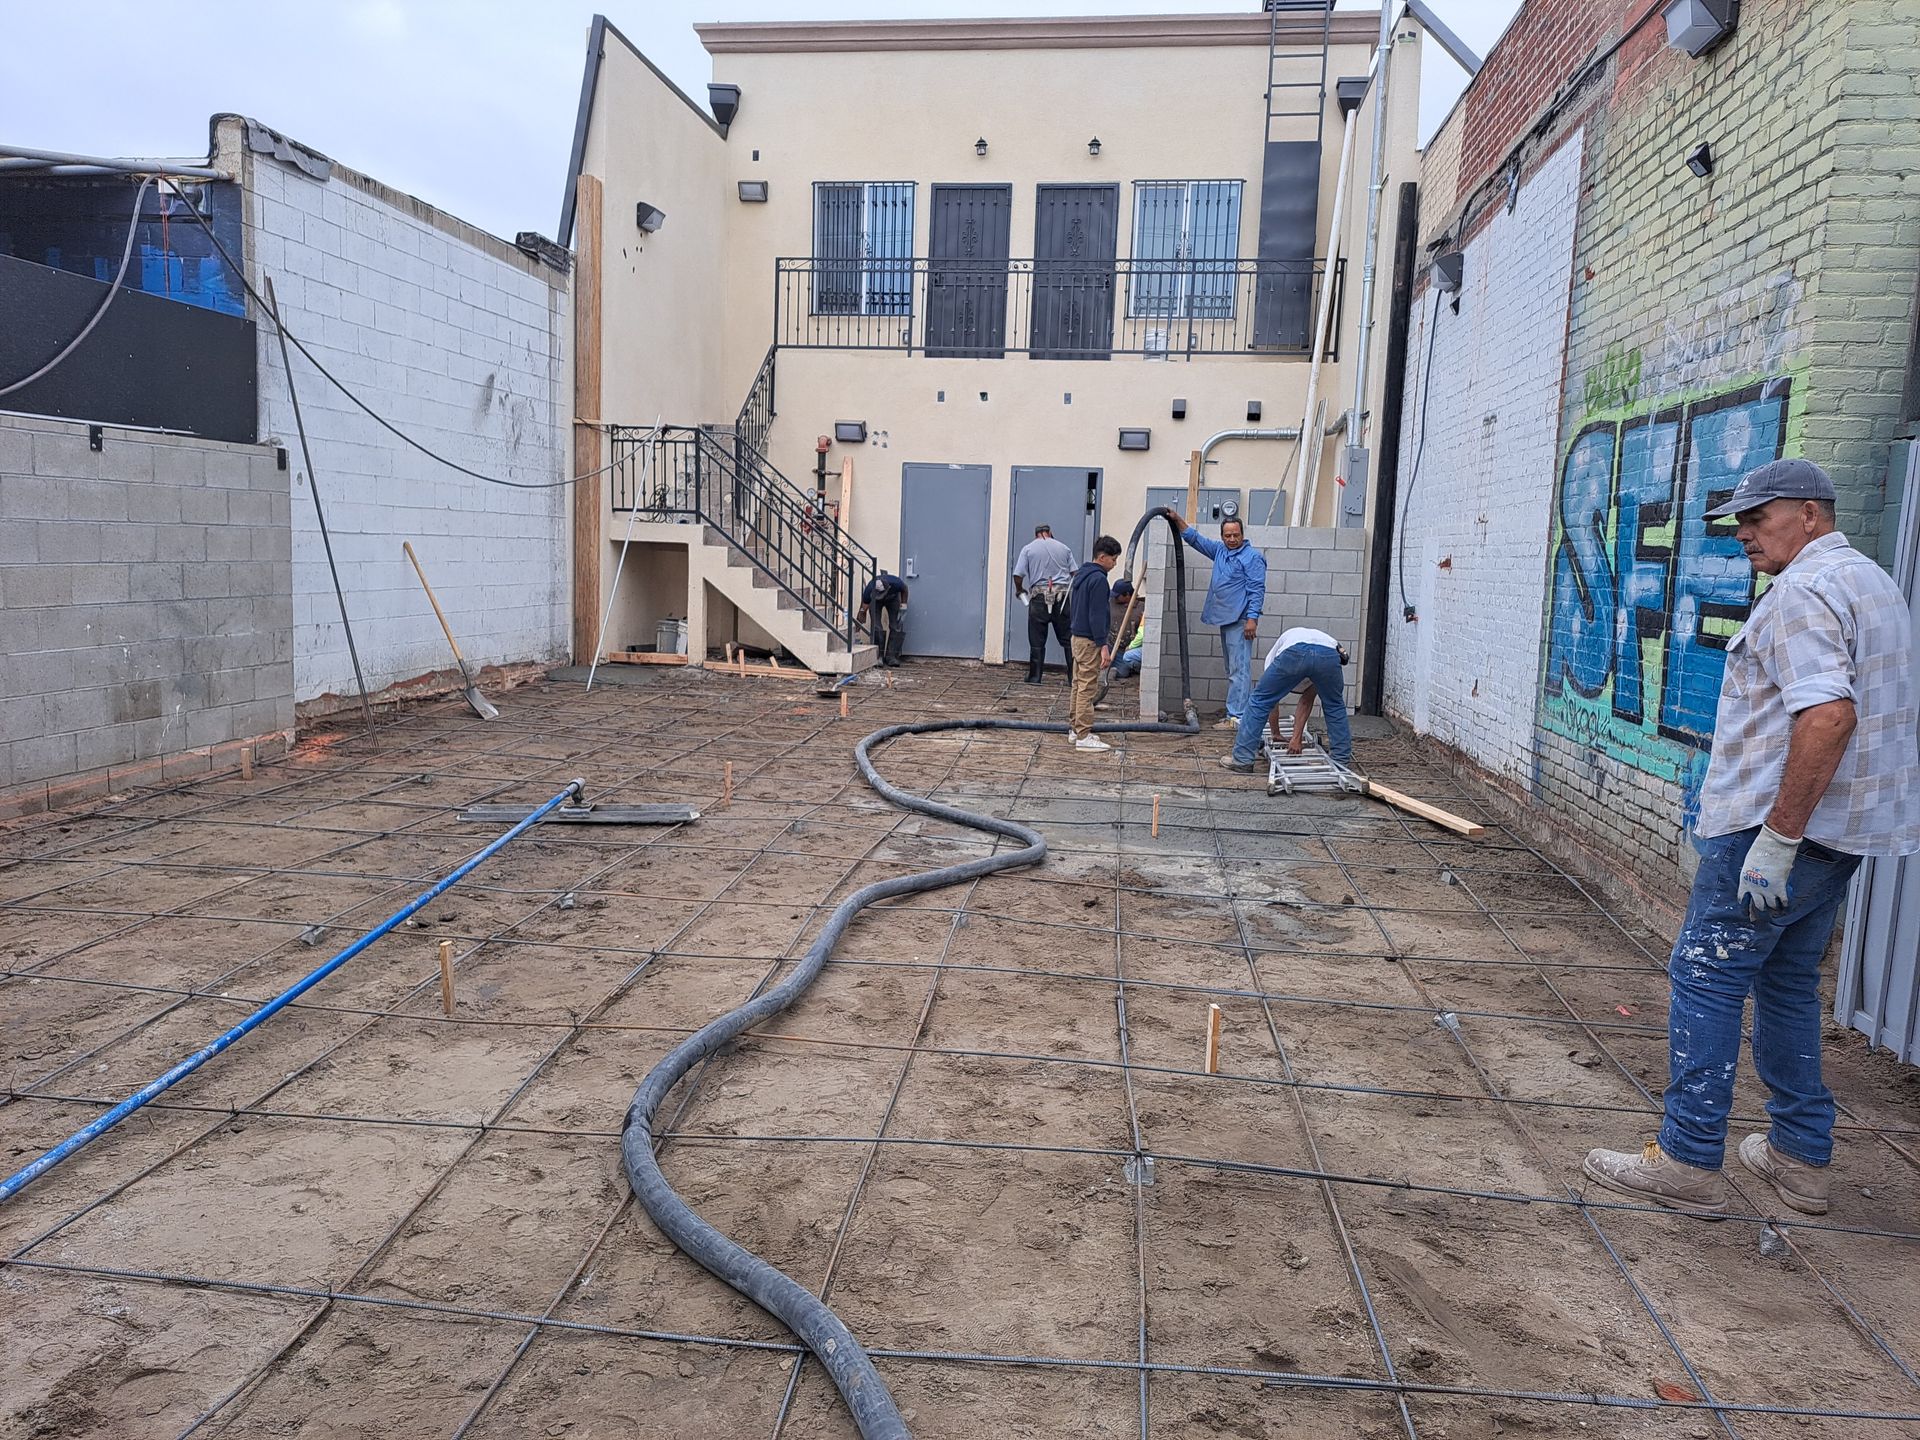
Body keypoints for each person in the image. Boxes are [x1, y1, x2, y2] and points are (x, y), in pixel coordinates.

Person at [1583, 458, 1919, 1217]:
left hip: (1781, 832)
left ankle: (1687, 1158)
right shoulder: (1869, 581)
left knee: (1706, 974)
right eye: (1739, 522)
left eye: (1757, 519)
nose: (1743, 535)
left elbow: (1828, 715)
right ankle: (1800, 1157)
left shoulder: (1803, 592)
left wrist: (1777, 836)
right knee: (1788, 980)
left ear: (1810, 512)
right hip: (1843, 834)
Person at [1165, 508, 1266, 729]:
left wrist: (1252, 619)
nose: (1231, 539)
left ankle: (1237, 717)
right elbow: (1195, 539)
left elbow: (1257, 590)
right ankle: (1236, 712)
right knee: (1233, 669)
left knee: (1239, 669)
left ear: (1242, 534)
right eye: (1227, 535)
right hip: (1226, 618)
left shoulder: (1252, 557)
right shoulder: (1221, 551)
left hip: (1240, 621)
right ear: (1222, 536)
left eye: (1235, 535)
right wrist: (1176, 518)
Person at [1219, 627, 1351, 772]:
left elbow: (1270, 702)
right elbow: (1306, 701)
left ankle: (1242, 759)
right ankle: (1341, 760)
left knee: (1259, 701)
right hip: (1328, 656)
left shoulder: (1276, 657)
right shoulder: (1317, 657)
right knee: (1334, 706)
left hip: (1295, 651)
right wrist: (1278, 734)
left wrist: (1294, 737)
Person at [1066, 536, 1123, 752]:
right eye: (1113, 559)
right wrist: (1104, 646)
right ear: (1102, 557)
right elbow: (1097, 615)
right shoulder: (1099, 580)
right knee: (1088, 687)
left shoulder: (1081, 575)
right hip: (1090, 641)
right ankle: (1083, 735)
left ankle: (1074, 729)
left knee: (1077, 683)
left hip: (1077, 637)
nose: (1115, 563)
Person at [1011, 523, 1076, 683]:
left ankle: (1035, 676)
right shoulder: (1064, 548)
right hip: (1061, 596)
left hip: (1038, 596)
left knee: (1037, 638)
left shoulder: (1028, 549)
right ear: (1050, 533)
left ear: (1036, 535)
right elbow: (1075, 573)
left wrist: (1020, 589)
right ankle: (1073, 677)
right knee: (1068, 638)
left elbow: (1017, 574)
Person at [856, 570, 909, 668]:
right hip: (875, 601)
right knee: (877, 626)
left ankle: (891, 656)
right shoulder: (870, 588)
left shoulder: (896, 583)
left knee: (895, 626)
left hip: (893, 599)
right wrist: (857, 627)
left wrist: (904, 605)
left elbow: (905, 588)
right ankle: (878, 656)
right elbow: (863, 608)